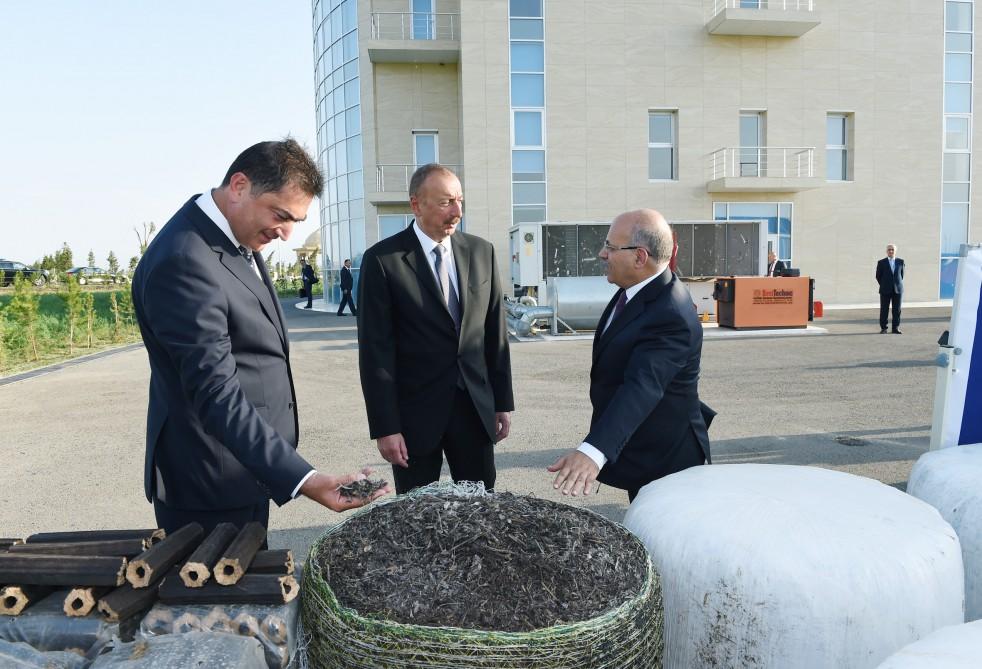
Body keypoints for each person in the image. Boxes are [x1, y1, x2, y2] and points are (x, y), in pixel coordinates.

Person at [132, 139, 389, 535]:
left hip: (244, 471)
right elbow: (215, 392)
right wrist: (304, 479)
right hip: (208, 486)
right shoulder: (184, 260)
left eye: (295, 222)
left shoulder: (235, 240)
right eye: (281, 215)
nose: (286, 233)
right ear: (239, 186)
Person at [357, 163, 514, 494]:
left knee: (480, 513)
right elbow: (376, 352)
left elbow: (494, 333)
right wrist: (385, 427)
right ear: (416, 204)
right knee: (415, 521)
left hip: (474, 411)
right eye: (445, 202)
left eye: (459, 200)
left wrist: (502, 402)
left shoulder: (482, 252)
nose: (457, 211)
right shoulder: (384, 261)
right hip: (414, 419)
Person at [548, 209, 713, 502]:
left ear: (640, 257)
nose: (602, 254)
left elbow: (642, 387)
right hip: (643, 445)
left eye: (610, 247)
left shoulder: (670, 313)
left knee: (660, 538)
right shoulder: (635, 288)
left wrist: (593, 451)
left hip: (667, 459)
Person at [876, 244, 905, 334]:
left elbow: (902, 275)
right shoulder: (881, 262)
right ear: (886, 251)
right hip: (885, 289)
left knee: (897, 310)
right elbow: (878, 276)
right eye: (889, 250)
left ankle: (895, 328)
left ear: (895, 251)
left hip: (898, 289)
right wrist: (885, 284)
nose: (891, 251)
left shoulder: (901, 261)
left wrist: (895, 284)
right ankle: (884, 328)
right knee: (884, 309)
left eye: (892, 249)